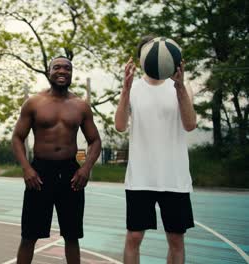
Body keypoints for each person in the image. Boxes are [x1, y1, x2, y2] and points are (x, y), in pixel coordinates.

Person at [115, 36, 197, 264]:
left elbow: (190, 125)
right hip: (140, 178)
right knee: (133, 237)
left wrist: (180, 86)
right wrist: (125, 89)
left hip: (175, 178)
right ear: (142, 59)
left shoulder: (181, 87)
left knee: (176, 240)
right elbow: (120, 126)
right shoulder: (133, 88)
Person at [12, 56, 102, 264]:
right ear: (49, 72)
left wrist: (86, 168)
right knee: (29, 236)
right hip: (40, 173)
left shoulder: (80, 106)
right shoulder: (34, 103)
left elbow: (95, 141)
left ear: (71, 74)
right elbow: (17, 138)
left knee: (72, 236)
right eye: (57, 67)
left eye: (67, 68)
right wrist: (26, 168)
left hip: (71, 173)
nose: (62, 71)